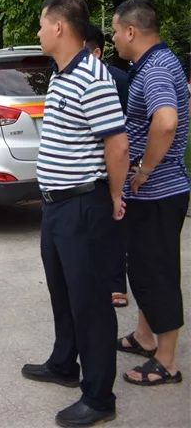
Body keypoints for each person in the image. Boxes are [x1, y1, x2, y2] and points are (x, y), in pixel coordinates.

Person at [21, 0, 128, 428]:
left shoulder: (92, 77)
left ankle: (99, 395)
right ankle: (65, 362)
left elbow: (116, 143)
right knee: (62, 291)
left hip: (83, 204)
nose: (39, 32)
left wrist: (116, 196)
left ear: (60, 28)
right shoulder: (63, 74)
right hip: (56, 206)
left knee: (89, 301)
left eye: (42, 25)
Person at [111, 0, 189, 387]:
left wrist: (144, 169)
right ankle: (144, 337)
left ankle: (166, 361)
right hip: (155, 194)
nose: (113, 38)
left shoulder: (155, 69)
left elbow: (166, 121)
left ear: (131, 31)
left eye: (114, 30)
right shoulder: (153, 65)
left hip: (159, 192)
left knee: (157, 273)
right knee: (143, 269)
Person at [85, 25, 131, 308]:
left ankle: (117, 284)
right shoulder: (65, 77)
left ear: (97, 52)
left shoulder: (117, 80)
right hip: (89, 169)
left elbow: (126, 129)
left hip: (115, 162)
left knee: (115, 224)